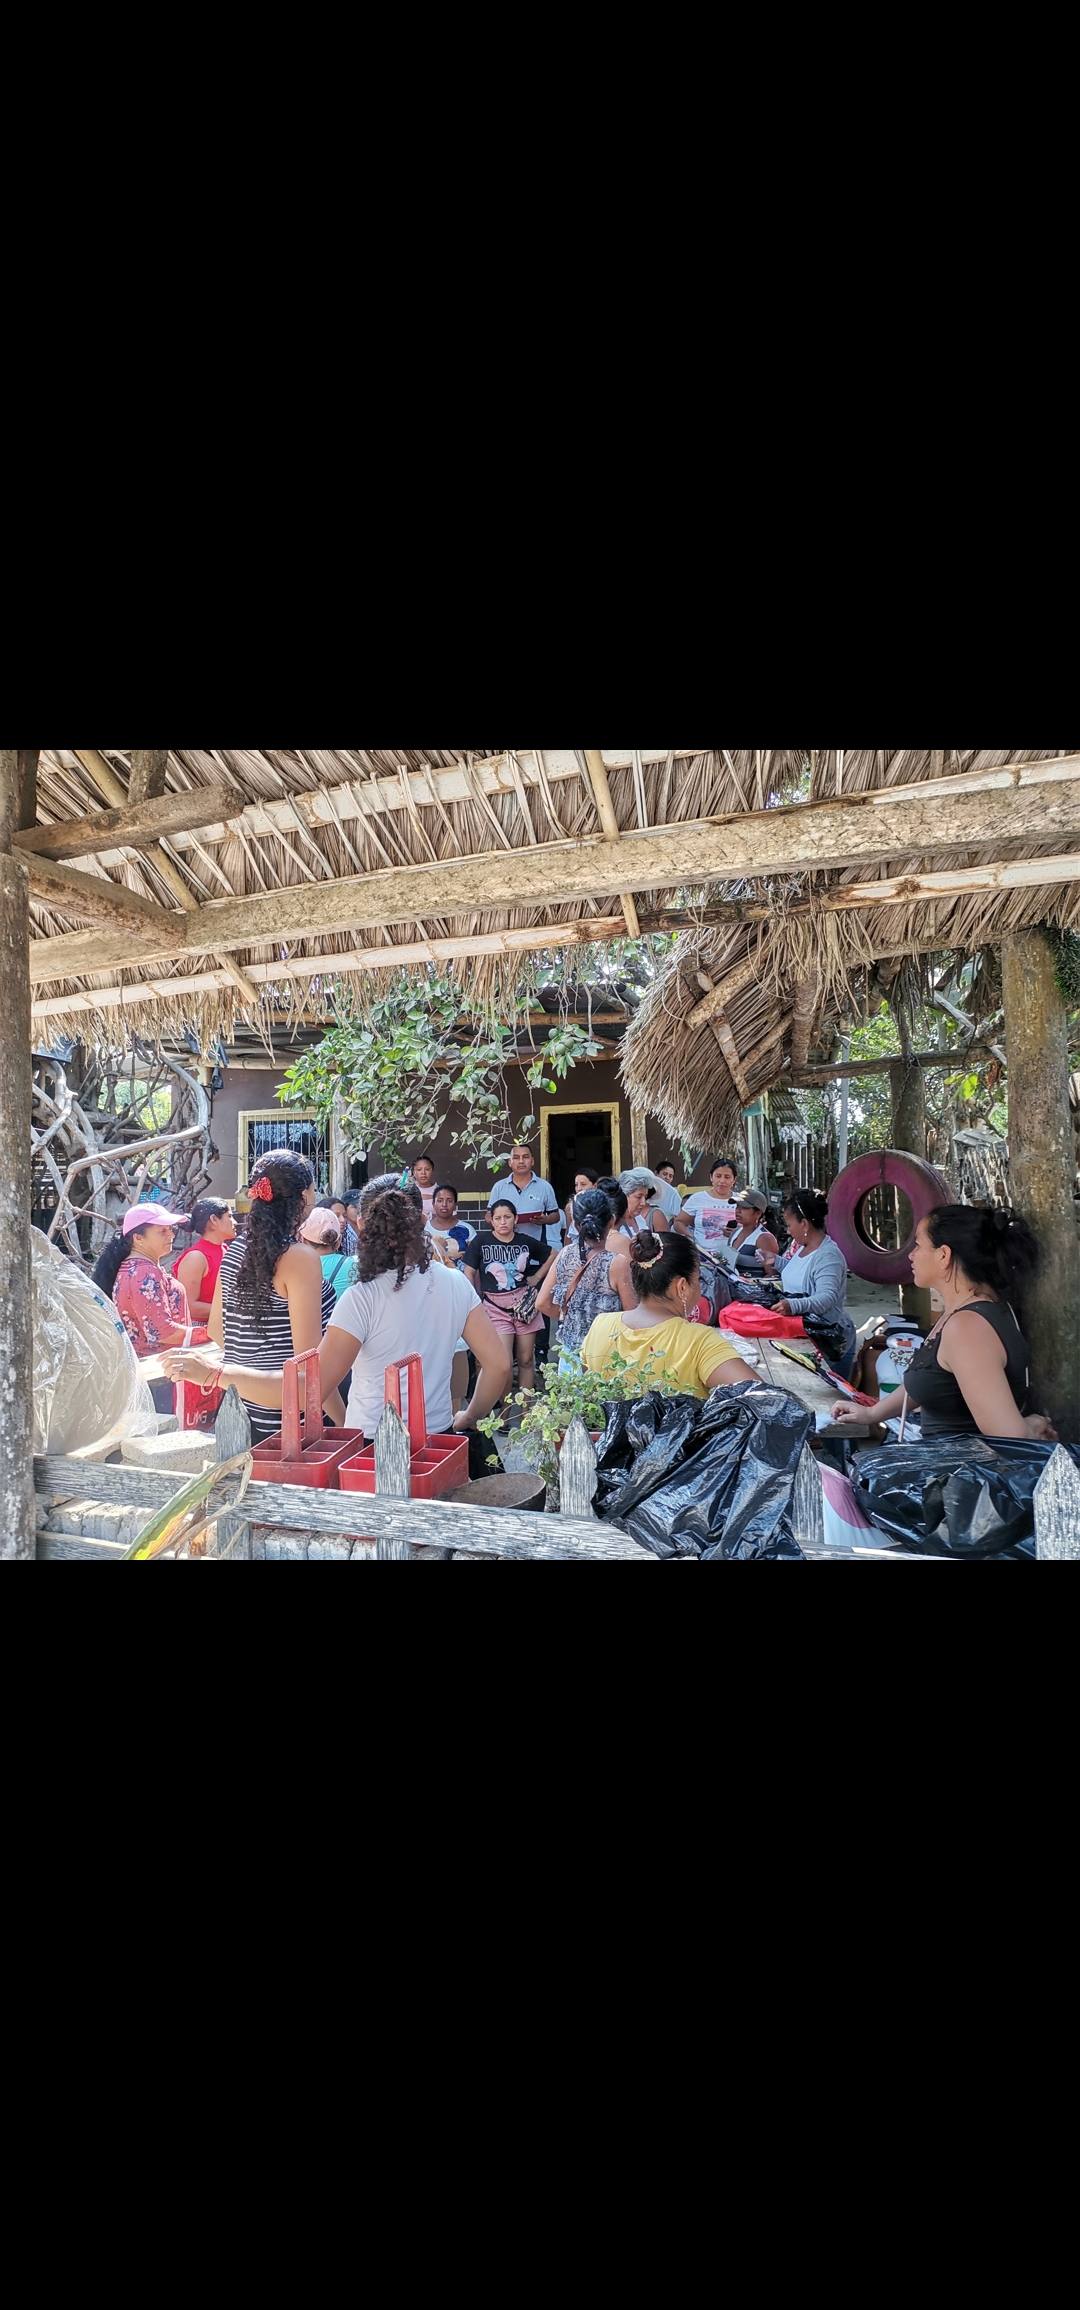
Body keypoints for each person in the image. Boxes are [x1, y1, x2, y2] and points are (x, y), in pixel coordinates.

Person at [167, 1174, 510, 1443]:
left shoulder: (362, 1297)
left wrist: (216, 1374)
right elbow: (497, 1366)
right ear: (422, 1219)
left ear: (361, 1225)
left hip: (372, 1444)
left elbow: (310, 1389)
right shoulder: (455, 1283)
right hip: (439, 1441)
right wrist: (469, 1417)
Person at [831, 1205, 1057, 1441]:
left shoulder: (968, 1327)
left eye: (918, 1245)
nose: (911, 1255)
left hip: (958, 1463)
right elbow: (931, 1377)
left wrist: (1032, 1424)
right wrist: (872, 1413)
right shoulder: (963, 1311)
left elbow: (1008, 1435)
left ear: (944, 1255)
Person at [205, 1150, 344, 1444]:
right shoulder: (299, 1258)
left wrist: (252, 1365)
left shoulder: (235, 1249)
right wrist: (345, 1421)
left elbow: (216, 1330)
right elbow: (309, 1365)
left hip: (235, 1411)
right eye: (314, 1188)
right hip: (285, 1421)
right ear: (304, 1197)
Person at [580, 1231, 759, 1396]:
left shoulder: (600, 1325)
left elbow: (590, 1391)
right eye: (697, 1279)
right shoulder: (699, 1341)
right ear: (682, 1287)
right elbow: (763, 1400)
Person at [92, 1202, 209, 1414]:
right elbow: (164, 1332)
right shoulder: (145, 1272)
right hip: (159, 1374)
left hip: (148, 1372)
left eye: (170, 1229)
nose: (171, 1235)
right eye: (162, 1231)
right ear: (138, 1238)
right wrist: (212, 1334)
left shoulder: (131, 1267)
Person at [537, 1189, 636, 1368]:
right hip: (606, 1355)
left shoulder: (565, 1254)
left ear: (575, 1225)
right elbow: (631, 1314)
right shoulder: (618, 1263)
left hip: (570, 1355)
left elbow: (542, 1303)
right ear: (612, 1221)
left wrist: (572, 1319)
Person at [464, 1197, 546, 1395]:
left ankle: (526, 1411)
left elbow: (553, 1254)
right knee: (505, 1363)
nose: (503, 1222)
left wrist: (536, 1277)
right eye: (498, 1218)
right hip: (495, 1306)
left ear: (515, 1219)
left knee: (526, 1360)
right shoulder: (482, 1241)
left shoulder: (524, 1241)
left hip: (524, 1305)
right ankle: (505, 1410)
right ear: (491, 1220)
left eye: (507, 1217)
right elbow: (469, 1272)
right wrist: (474, 1300)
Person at [772, 1188, 856, 1378]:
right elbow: (799, 1273)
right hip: (807, 1335)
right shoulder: (804, 1247)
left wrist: (793, 1305)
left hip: (831, 1344)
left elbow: (827, 1298)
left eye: (789, 1225)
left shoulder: (828, 1256)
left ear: (804, 1224)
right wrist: (776, 1262)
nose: (788, 1230)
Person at [486, 1143, 561, 1280]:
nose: (521, 1161)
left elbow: (555, 1215)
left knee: (535, 1287)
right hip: (504, 1253)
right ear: (510, 1162)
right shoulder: (499, 1187)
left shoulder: (544, 1187)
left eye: (525, 1157)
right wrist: (501, 1220)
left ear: (532, 1161)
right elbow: (488, 1216)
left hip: (535, 1251)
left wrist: (545, 1219)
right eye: (516, 1158)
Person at [175, 1198, 237, 1322]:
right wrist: (234, 1310)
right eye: (230, 1216)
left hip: (225, 1322)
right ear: (214, 1220)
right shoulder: (196, 1257)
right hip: (201, 1327)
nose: (235, 1222)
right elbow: (189, 1306)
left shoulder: (225, 1249)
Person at [676, 1158, 740, 1253]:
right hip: (703, 1256)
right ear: (711, 1177)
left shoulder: (742, 1201)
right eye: (718, 1176)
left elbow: (753, 1228)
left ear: (734, 1180)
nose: (722, 1181)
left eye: (727, 1177)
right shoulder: (697, 1198)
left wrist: (736, 1234)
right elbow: (679, 1222)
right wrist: (691, 1238)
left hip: (735, 1256)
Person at [722, 1189, 779, 1276]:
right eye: (737, 1206)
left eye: (744, 1208)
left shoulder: (764, 1238)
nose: (738, 1210)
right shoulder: (735, 1233)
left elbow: (772, 1274)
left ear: (758, 1213)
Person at [428, 1183, 475, 1263]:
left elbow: (475, 1259)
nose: (444, 1204)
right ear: (433, 1204)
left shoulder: (467, 1229)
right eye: (440, 1201)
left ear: (455, 1205)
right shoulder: (424, 1228)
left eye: (449, 1201)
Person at [618, 1168, 671, 1237]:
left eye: (645, 1197)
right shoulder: (614, 1223)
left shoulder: (639, 1219)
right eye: (639, 1197)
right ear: (624, 1195)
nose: (643, 1203)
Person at [563, 1166, 601, 1240]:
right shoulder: (570, 1206)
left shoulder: (602, 1205)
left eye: (583, 1184)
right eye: (576, 1185)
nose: (579, 1189)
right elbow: (568, 1234)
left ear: (595, 1185)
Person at [410, 1156, 437, 1221]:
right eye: (419, 1170)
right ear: (414, 1172)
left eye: (427, 1169)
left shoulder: (440, 1192)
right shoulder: (409, 1191)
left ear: (433, 1171)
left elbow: (451, 1217)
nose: (423, 1173)